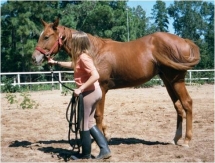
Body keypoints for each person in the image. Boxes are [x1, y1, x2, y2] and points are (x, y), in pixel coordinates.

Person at [48, 31, 111, 160]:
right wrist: (56, 63)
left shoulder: (83, 57)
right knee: (89, 123)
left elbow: (95, 75)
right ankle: (104, 150)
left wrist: (80, 89)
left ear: (78, 44)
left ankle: (86, 155)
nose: (71, 44)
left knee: (83, 124)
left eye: (73, 42)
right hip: (93, 92)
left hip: (90, 93)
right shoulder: (82, 56)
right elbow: (74, 65)